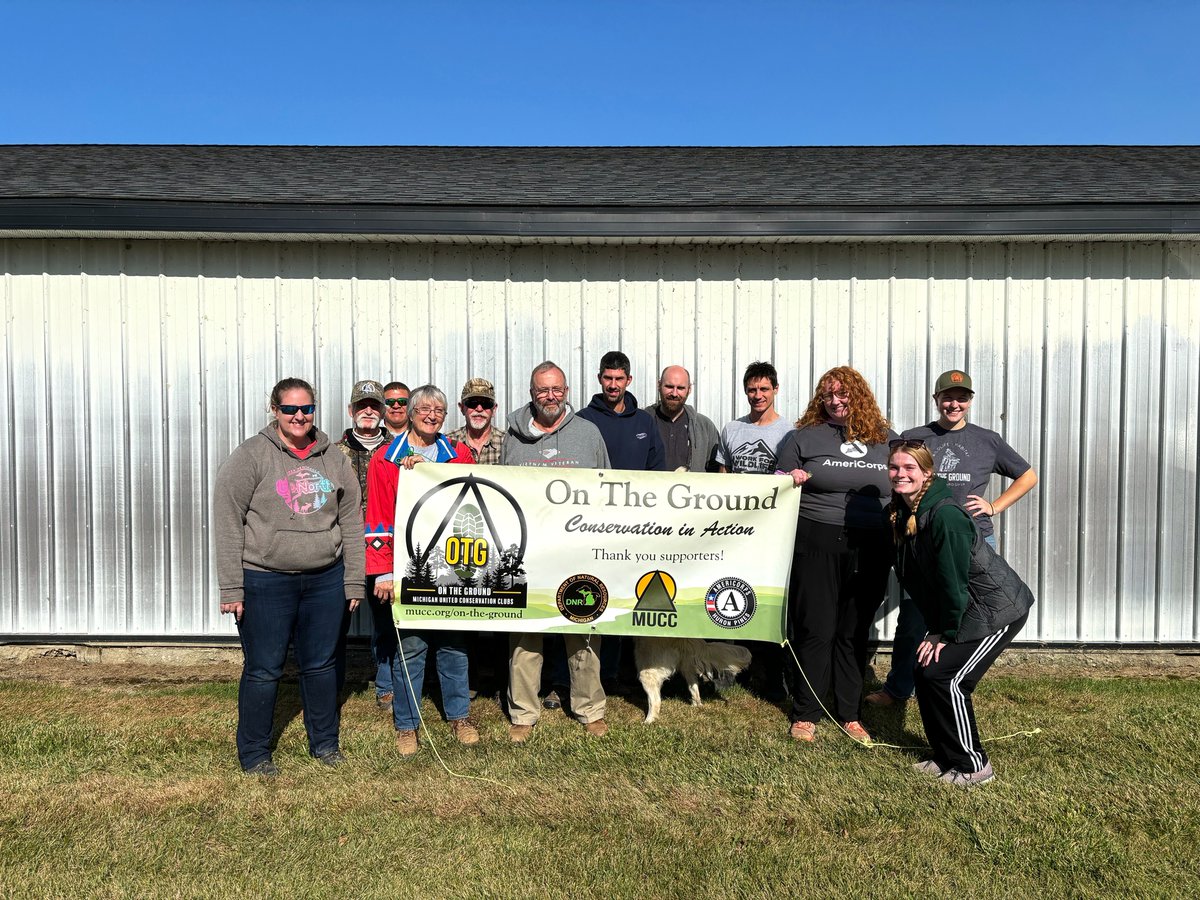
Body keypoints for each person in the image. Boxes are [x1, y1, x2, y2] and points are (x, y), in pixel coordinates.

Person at [214, 377, 365, 776]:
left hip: (325, 580)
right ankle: (254, 754)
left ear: (314, 410)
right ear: (275, 410)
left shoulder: (334, 459)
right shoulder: (251, 455)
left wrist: (354, 579)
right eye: (290, 409)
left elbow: (351, 520)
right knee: (264, 669)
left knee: (321, 665)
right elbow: (228, 520)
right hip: (265, 580)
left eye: (306, 408)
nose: (299, 416)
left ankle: (325, 744)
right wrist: (231, 586)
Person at [867, 369, 1038, 708]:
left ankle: (951, 679)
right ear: (936, 400)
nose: (954, 404)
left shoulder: (987, 440)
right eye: (947, 397)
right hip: (923, 543)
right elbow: (897, 475)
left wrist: (994, 506)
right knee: (914, 619)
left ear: (970, 401)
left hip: (975, 543)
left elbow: (1028, 475)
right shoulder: (916, 437)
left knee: (970, 616)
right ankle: (899, 688)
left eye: (961, 398)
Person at [887, 440, 1034, 786]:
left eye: (909, 468)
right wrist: (936, 629)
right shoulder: (903, 511)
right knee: (925, 670)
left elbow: (952, 583)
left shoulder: (946, 516)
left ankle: (974, 766)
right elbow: (923, 581)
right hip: (965, 608)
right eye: (894, 467)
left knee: (948, 678)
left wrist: (944, 633)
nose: (900, 474)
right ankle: (945, 755)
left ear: (927, 473)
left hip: (997, 610)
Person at [777, 366, 898, 744]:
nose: (835, 401)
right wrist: (788, 479)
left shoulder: (886, 440)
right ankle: (806, 713)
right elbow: (776, 481)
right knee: (816, 627)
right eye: (828, 394)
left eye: (842, 393)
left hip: (872, 544)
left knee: (853, 630)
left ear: (858, 395)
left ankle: (850, 714)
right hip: (815, 540)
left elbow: (909, 479)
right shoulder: (803, 437)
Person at [501, 360, 612, 741]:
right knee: (524, 632)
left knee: (583, 627)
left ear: (566, 391)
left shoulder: (588, 433)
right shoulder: (513, 437)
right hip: (528, 552)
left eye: (557, 389)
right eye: (542, 390)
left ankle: (589, 708)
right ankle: (523, 712)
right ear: (531, 394)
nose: (550, 396)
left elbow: (607, 487)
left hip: (576, 550)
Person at [365, 384, 477, 757]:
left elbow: (471, 496)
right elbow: (378, 514)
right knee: (410, 646)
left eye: (439, 410)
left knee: (453, 643)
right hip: (407, 564)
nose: (431, 415)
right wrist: (383, 572)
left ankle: (459, 716)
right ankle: (407, 725)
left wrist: (429, 469)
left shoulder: (458, 454)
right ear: (410, 414)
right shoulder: (386, 458)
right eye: (424, 409)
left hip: (452, 563)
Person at [335, 379, 395, 709]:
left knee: (385, 620)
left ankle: (386, 684)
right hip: (343, 549)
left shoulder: (400, 450)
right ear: (351, 410)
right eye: (362, 405)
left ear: (383, 412)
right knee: (335, 621)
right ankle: (331, 683)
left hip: (384, 549)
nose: (368, 411)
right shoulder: (332, 453)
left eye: (374, 406)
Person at [577, 350, 667, 472]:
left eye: (619, 379)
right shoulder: (583, 420)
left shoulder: (645, 422)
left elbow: (657, 469)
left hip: (636, 485)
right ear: (599, 378)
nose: (613, 385)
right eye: (608, 378)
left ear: (628, 380)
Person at [715, 361, 793, 475]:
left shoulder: (789, 432)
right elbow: (723, 475)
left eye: (764, 389)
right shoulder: (731, 429)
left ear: (776, 389)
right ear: (745, 391)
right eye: (752, 390)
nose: (758, 396)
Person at [649, 364, 720, 473]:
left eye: (680, 388)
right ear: (659, 385)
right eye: (669, 386)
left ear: (689, 389)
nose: (674, 393)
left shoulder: (704, 427)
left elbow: (716, 471)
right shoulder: (642, 422)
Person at [447, 377, 503, 464]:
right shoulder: (447, 443)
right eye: (472, 403)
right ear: (462, 408)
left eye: (486, 403)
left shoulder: (507, 443)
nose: (479, 409)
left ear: (494, 409)